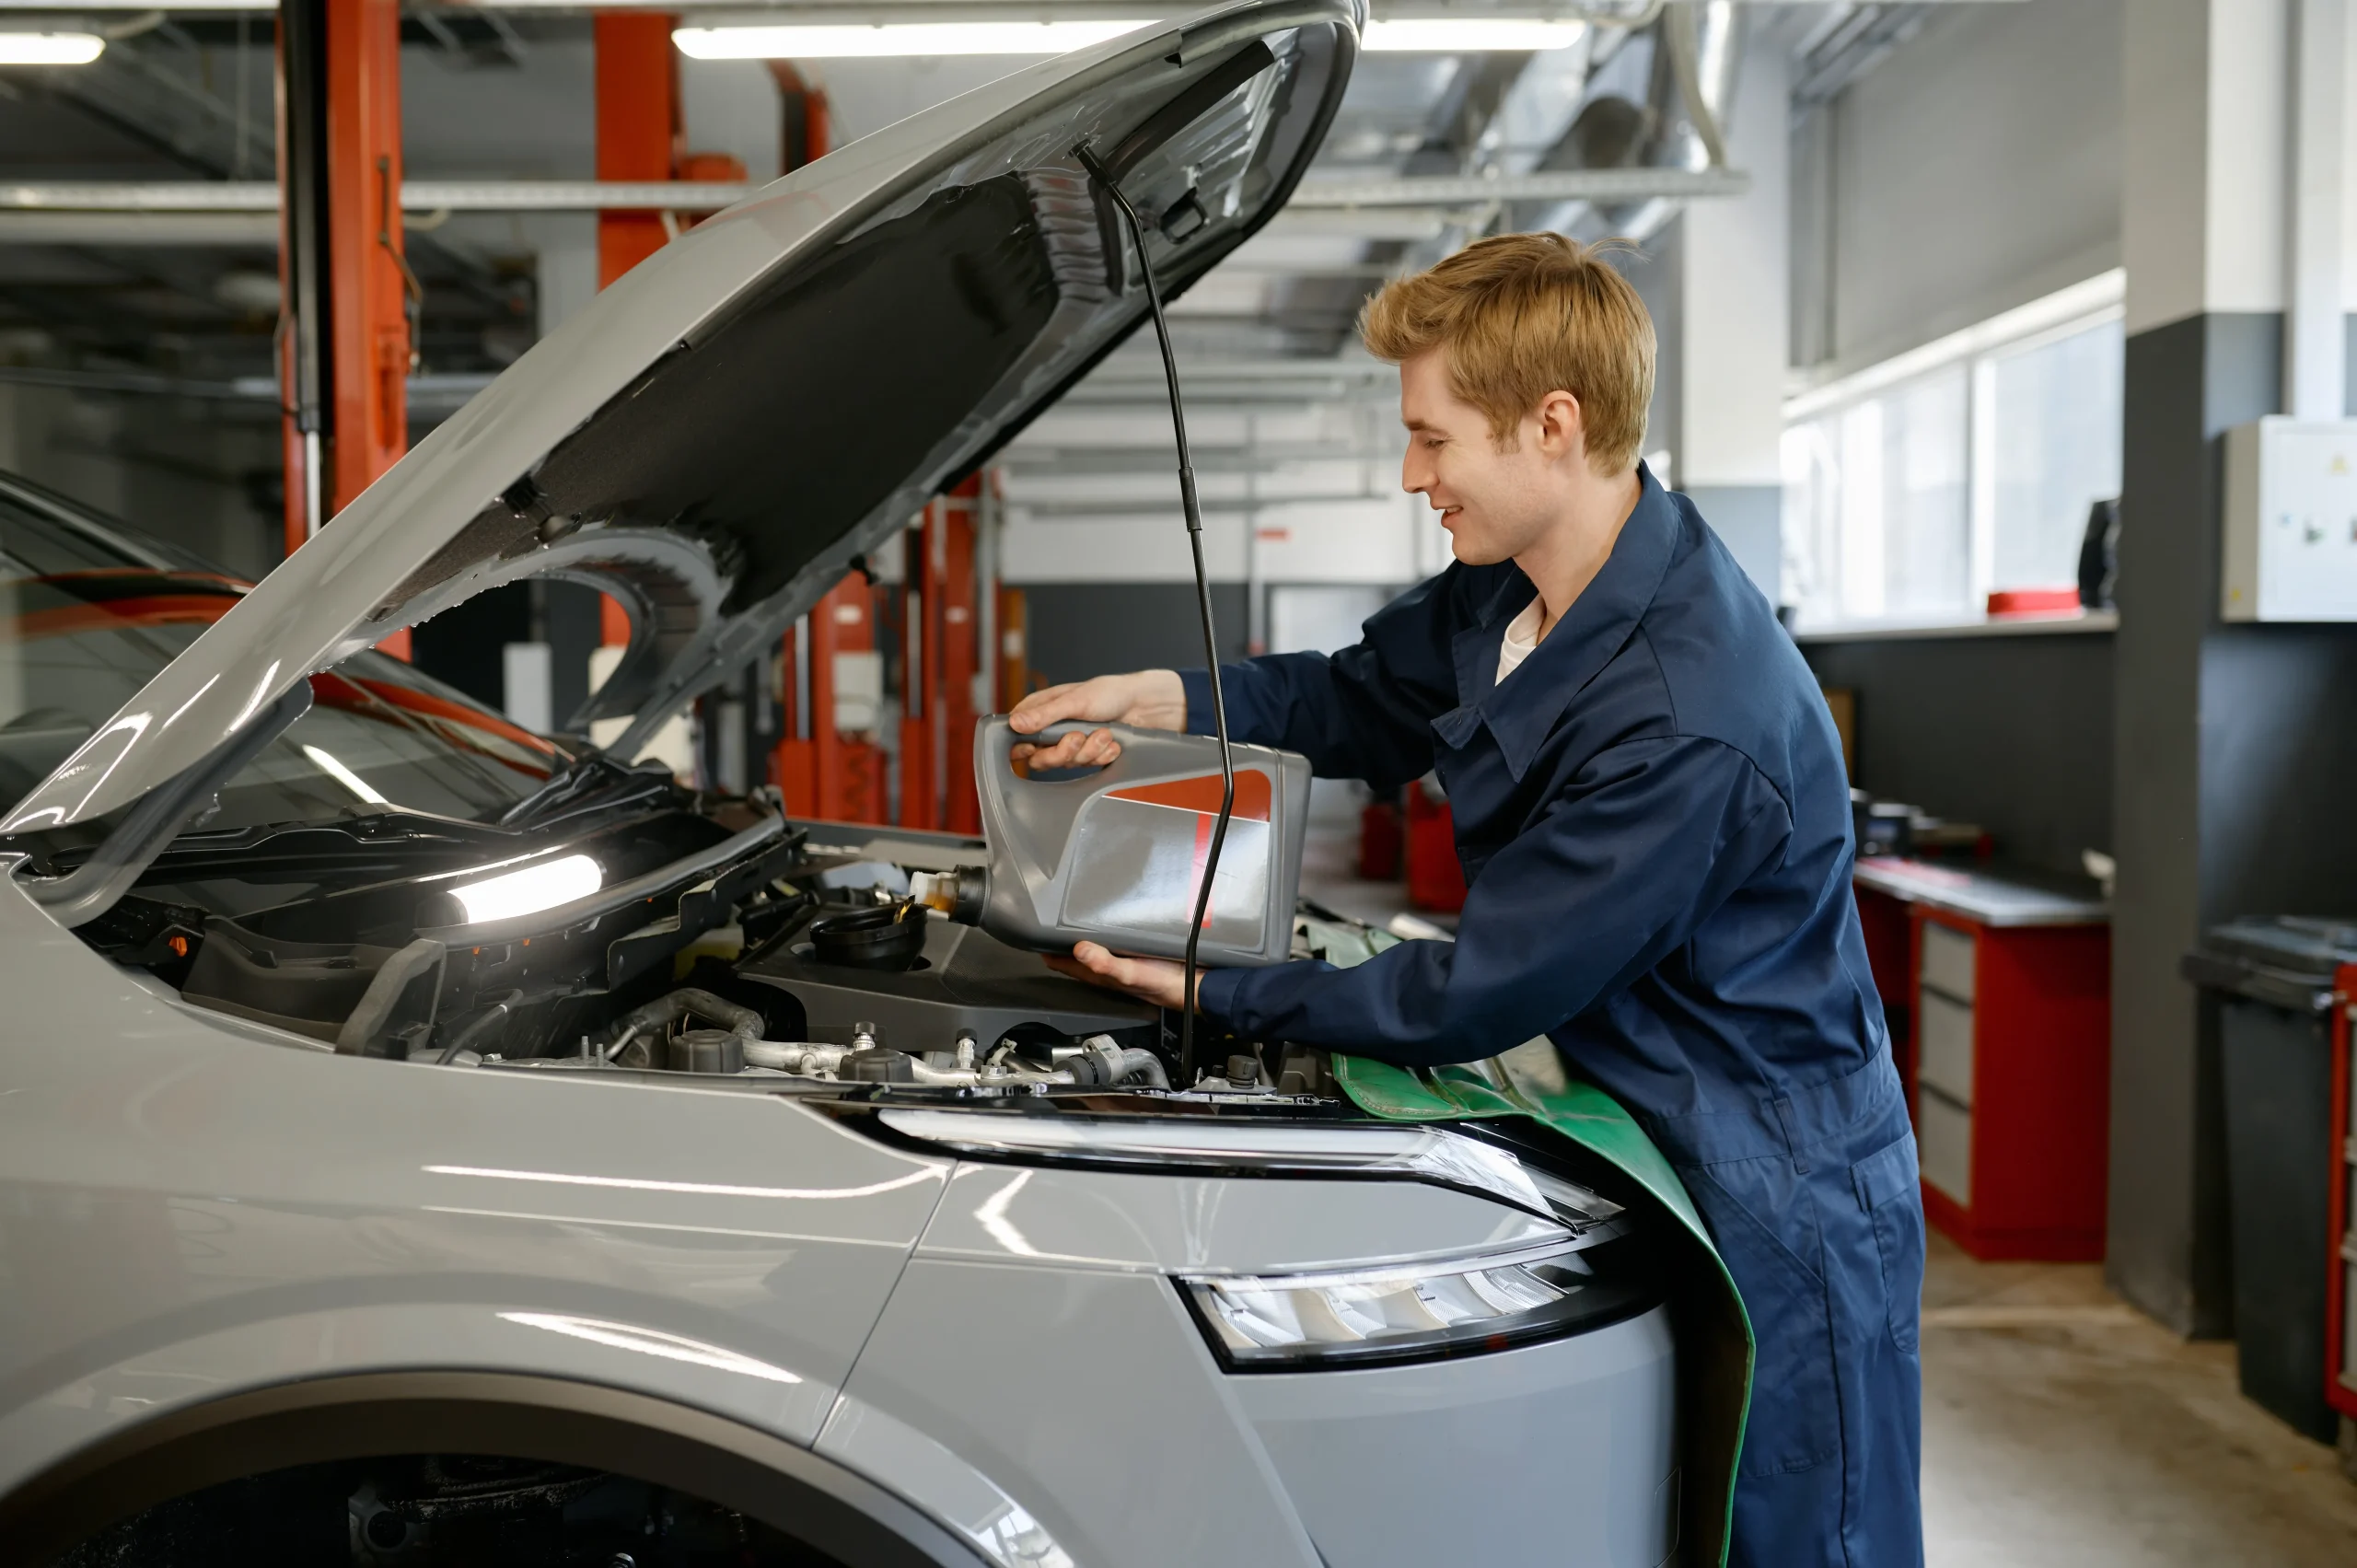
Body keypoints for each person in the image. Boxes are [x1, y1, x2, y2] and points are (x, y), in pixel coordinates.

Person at [1009, 232, 1924, 1568]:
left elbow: (1481, 982)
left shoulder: (1690, 713)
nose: (1410, 472)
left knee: (1799, 1536)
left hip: (1781, 1184)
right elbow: (1357, 695)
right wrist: (1162, 701)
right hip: (1653, 1114)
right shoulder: (1517, 586)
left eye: (1433, 437)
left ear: (1552, 424)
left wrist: (1221, 984)